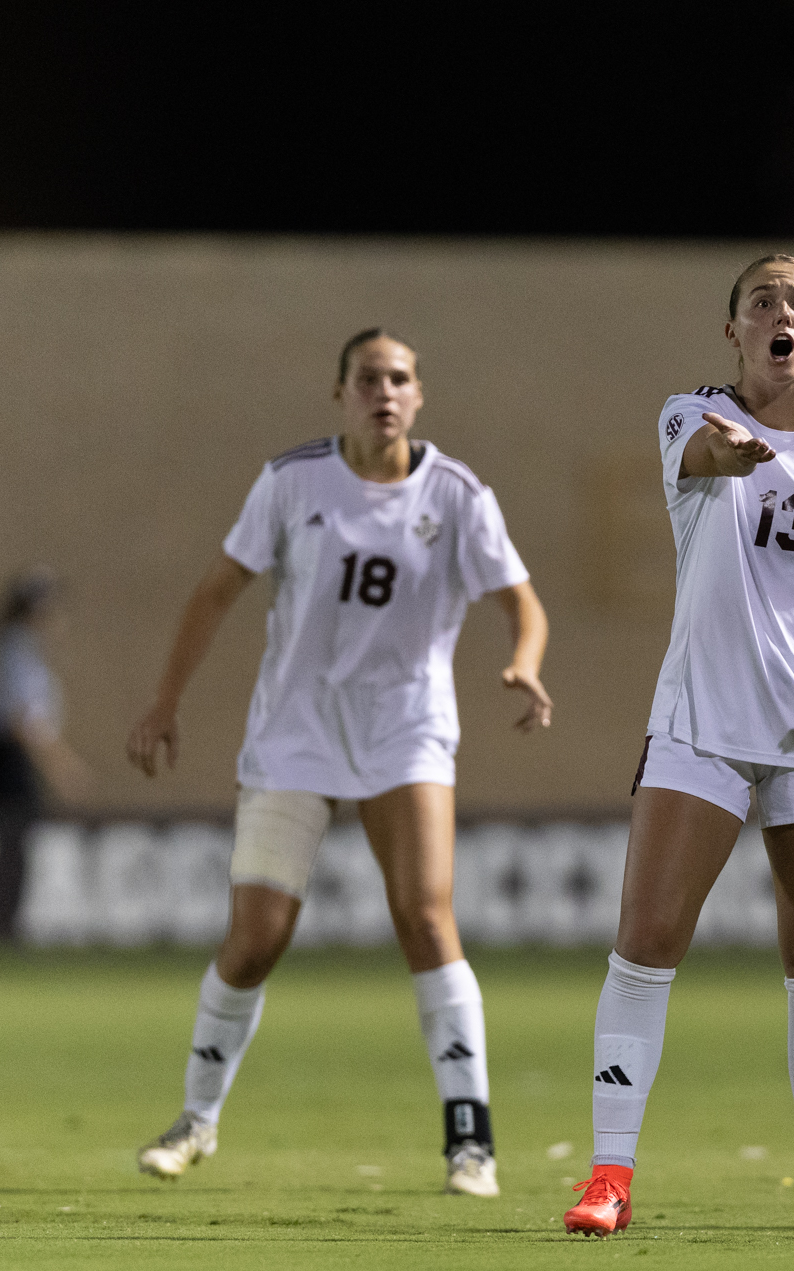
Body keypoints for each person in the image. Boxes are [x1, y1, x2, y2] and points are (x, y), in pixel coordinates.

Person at [124, 329, 553, 1198]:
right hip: (297, 732)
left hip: (405, 729)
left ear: (419, 394)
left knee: (427, 919)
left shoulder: (459, 494)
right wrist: (165, 699)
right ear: (340, 392)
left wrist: (526, 662)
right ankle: (197, 1117)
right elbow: (217, 590)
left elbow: (524, 603)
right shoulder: (292, 482)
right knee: (255, 941)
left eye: (399, 378)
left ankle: (471, 1139)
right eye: (368, 379)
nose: (384, 392)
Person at [560, 255, 794, 1242]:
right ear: (734, 331)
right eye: (762, 302)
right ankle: (609, 1176)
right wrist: (738, 452)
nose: (780, 314)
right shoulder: (691, 416)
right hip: (702, 723)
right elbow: (706, 458)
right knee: (648, 940)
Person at [0, 567, 95, 938]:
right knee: (11, 843)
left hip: (4, 757)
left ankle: (4, 925)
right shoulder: (16, 648)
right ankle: (3, 928)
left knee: (11, 845)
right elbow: (24, 721)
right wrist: (63, 767)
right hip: (2, 759)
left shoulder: (17, 647)